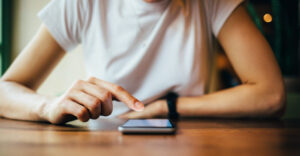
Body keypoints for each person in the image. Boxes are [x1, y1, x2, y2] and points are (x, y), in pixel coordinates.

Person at [0, 0, 285, 124]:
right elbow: (5, 90)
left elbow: (271, 94)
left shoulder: (210, 1)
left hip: (188, 139)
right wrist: (48, 106)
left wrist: (167, 107)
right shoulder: (81, 2)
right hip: (105, 144)